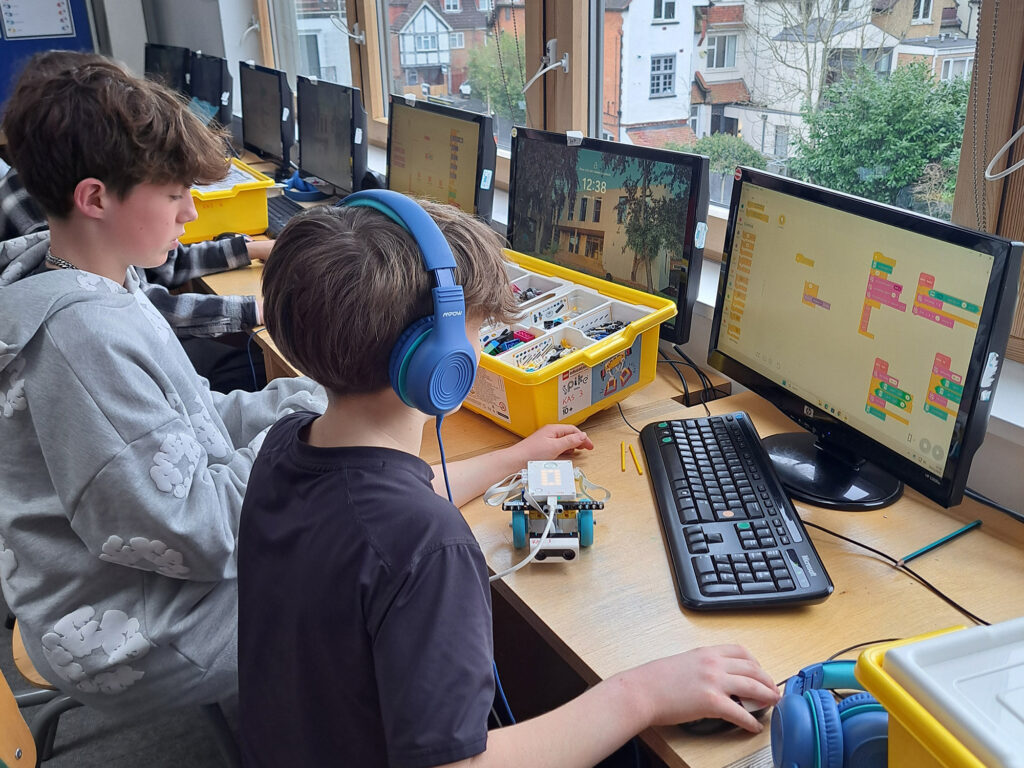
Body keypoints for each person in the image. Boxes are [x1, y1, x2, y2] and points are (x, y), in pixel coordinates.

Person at [0, 51, 591, 721]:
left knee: (356, 517)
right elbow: (196, 527)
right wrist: (313, 430)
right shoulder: (81, 338)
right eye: (172, 195)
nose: (193, 212)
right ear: (95, 198)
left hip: (125, 584)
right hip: (137, 631)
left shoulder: (91, 279)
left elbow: (192, 424)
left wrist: (309, 404)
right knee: (382, 573)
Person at [237, 195, 780, 767]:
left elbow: (390, 503)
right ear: (436, 358)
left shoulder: (289, 443)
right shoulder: (427, 544)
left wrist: (517, 456)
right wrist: (641, 693)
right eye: (474, 329)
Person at [0, 50, 273, 393]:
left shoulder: (101, 261)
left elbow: (165, 266)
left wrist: (251, 248)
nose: (191, 212)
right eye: (175, 195)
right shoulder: (89, 341)